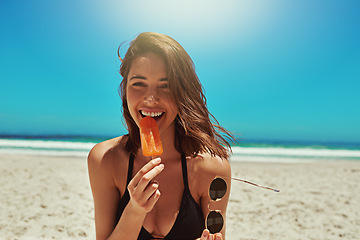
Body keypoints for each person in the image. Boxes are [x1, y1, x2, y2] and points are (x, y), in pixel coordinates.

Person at [88, 32, 235, 240]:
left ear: (182, 93)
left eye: (165, 86)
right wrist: (135, 210)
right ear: (125, 89)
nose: (150, 98)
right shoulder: (105, 159)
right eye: (138, 84)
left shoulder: (211, 168)